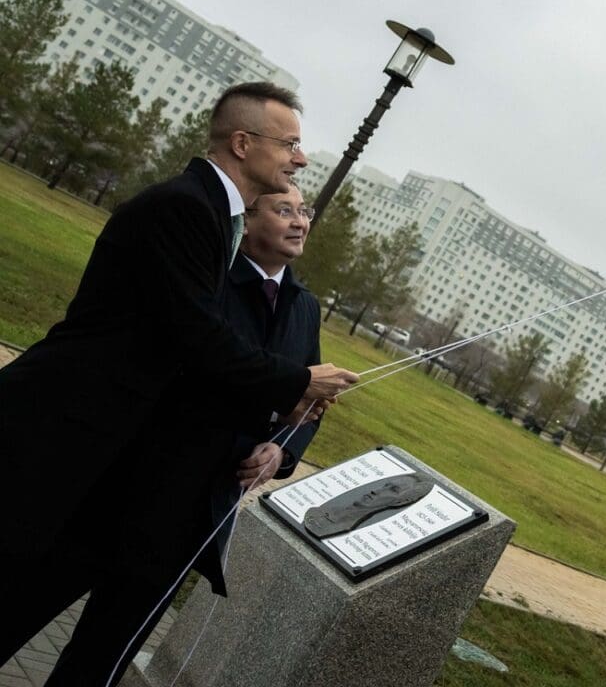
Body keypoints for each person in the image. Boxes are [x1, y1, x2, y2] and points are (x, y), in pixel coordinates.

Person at [0, 82, 357, 684]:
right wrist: (297, 380)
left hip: (143, 477)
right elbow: (196, 336)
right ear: (243, 143)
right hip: (72, 443)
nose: (299, 160)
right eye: (290, 144)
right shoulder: (187, 209)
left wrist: (286, 433)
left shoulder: (221, 225)